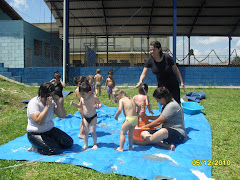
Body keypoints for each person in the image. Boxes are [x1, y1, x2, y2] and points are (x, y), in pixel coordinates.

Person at [133, 86, 187, 151]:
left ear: (163, 98)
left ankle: (143, 143)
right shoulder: (165, 103)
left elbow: (159, 121)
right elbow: (160, 116)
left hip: (177, 134)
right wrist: (147, 117)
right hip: (165, 133)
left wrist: (143, 127)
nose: (157, 102)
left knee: (162, 131)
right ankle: (167, 145)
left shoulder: (172, 105)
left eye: (158, 100)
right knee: (144, 133)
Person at [27, 82, 73, 155]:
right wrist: (47, 106)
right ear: (43, 94)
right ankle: (35, 148)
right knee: (54, 150)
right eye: (49, 95)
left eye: (52, 95)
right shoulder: (34, 103)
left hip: (50, 130)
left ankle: (51, 142)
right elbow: (39, 121)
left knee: (69, 143)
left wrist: (57, 102)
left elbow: (62, 115)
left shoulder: (52, 101)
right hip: (36, 133)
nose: (51, 97)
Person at [70, 81, 102, 151]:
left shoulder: (94, 97)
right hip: (85, 117)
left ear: (89, 93)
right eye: (80, 94)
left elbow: (100, 103)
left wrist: (98, 106)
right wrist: (74, 104)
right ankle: (86, 145)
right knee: (86, 132)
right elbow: (80, 105)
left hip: (93, 117)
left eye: (83, 94)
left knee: (93, 131)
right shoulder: (82, 98)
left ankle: (95, 144)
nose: (82, 96)